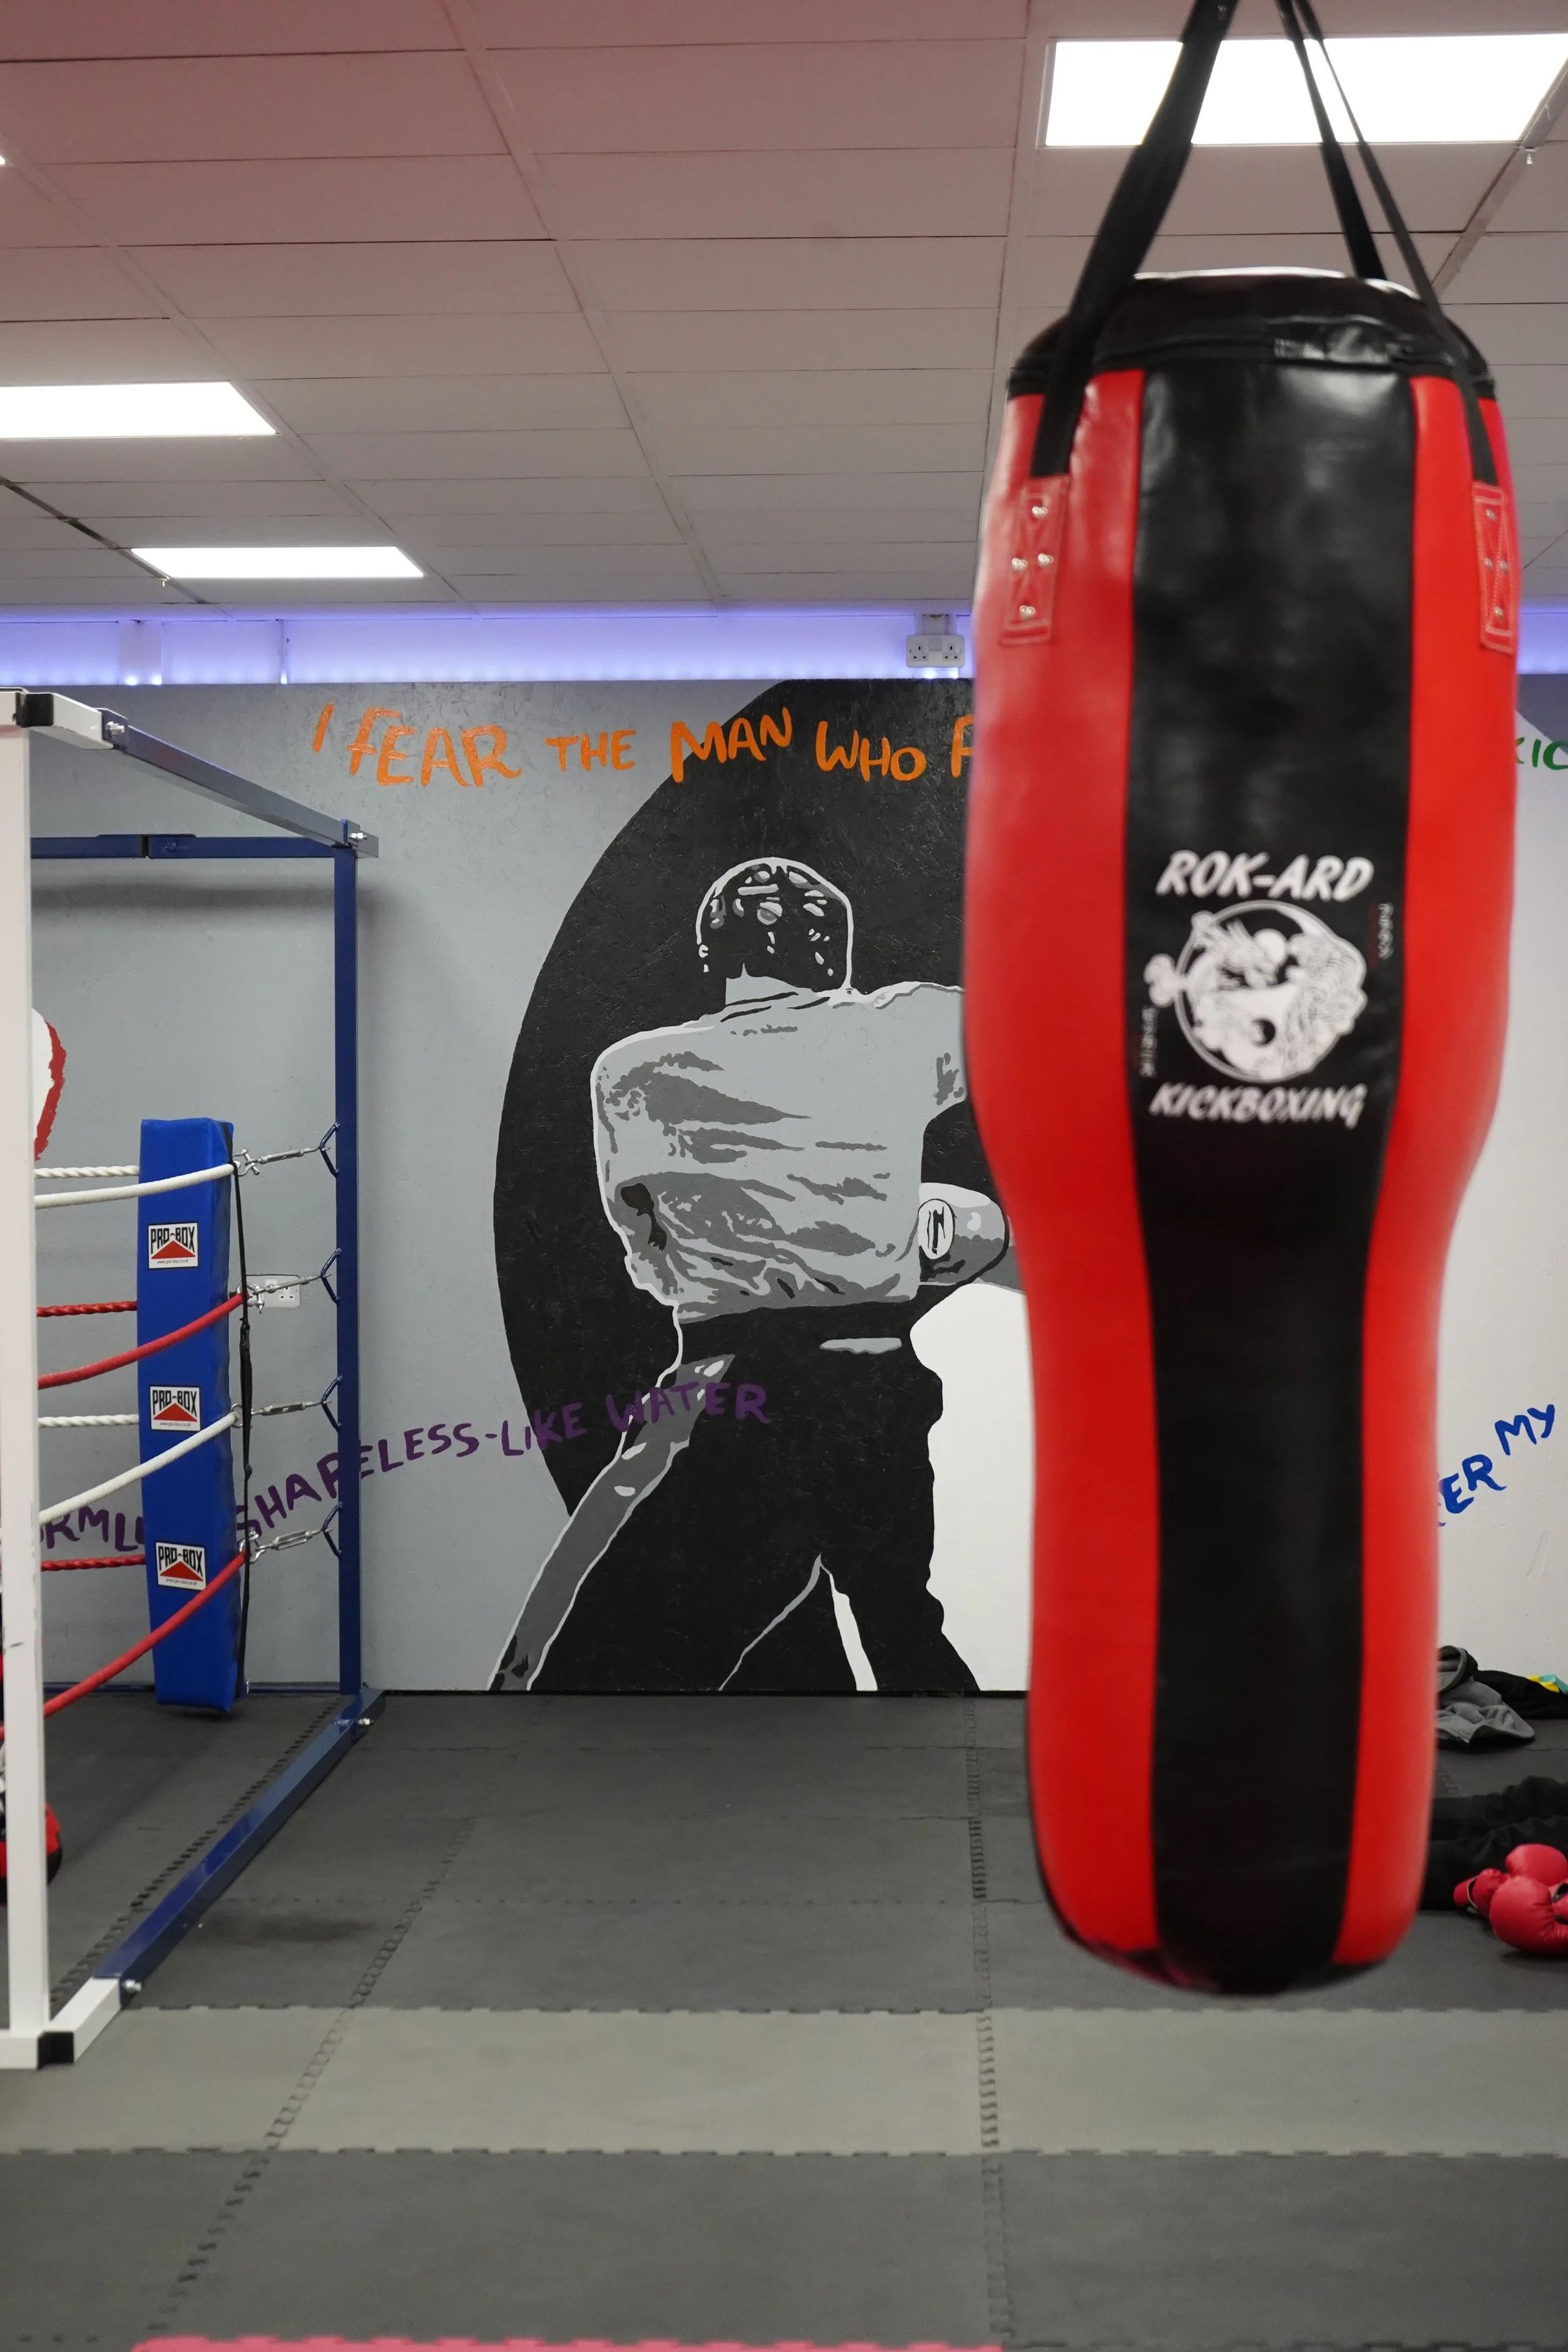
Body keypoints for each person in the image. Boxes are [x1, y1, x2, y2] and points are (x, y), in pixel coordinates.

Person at [492, 856, 1007, 1695]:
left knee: (615, 1662)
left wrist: (723, 1266)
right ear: (833, 953)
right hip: (871, 1372)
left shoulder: (633, 1072)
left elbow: (641, 1241)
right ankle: (966, 1799)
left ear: (711, 956)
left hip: (722, 1374)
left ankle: (554, 1785)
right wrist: (910, 1225)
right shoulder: (914, 1028)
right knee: (901, 1619)